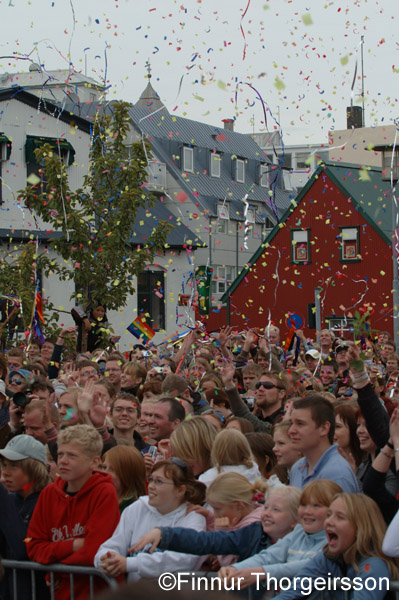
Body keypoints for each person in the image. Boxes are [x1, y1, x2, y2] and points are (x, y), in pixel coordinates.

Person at [26, 424, 120, 600]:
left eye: (72, 456)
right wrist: (73, 545)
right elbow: (32, 544)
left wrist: (56, 570)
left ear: (94, 462)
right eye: (60, 454)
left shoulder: (104, 493)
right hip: (60, 593)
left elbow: (93, 552)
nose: (63, 461)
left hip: (97, 592)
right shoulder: (49, 493)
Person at [217, 479, 342, 591]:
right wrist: (235, 569)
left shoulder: (335, 541)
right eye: (304, 505)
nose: (307, 511)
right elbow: (268, 556)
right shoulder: (298, 533)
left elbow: (310, 565)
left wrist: (262, 573)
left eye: (316, 506)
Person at [94, 458, 207, 581]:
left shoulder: (193, 516)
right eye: (151, 480)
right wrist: (106, 559)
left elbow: (185, 559)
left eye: (159, 482)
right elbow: (113, 544)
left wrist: (129, 564)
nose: (151, 486)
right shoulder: (137, 508)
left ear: (180, 490)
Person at [271, 493, 399, 599]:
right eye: (329, 515)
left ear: (361, 527)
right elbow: (291, 592)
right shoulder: (328, 557)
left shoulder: (374, 565)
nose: (329, 522)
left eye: (340, 517)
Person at [131, 485, 301, 564]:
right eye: (267, 507)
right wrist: (165, 535)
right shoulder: (254, 533)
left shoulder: (305, 548)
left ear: (295, 520)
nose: (267, 514)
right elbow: (209, 541)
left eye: (276, 510)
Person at [0, 435, 51, 600]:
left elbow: (24, 546)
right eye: (4, 465)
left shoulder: (48, 501)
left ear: (33, 468)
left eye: (14, 466)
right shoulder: (11, 500)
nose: (5, 472)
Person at [288, 395, 359, 491]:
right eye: (291, 423)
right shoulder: (297, 467)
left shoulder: (337, 474)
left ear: (324, 428)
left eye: (300, 424)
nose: (291, 431)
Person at [102, 445, 146, 512]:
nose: (105, 473)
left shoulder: (137, 510)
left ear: (128, 474)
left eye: (112, 469)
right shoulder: (98, 500)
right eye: (104, 467)